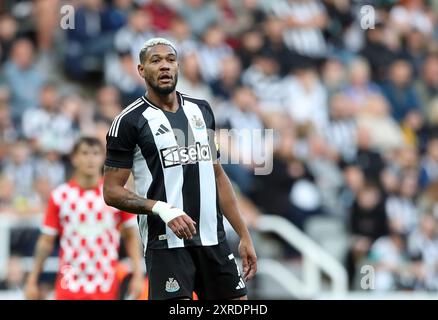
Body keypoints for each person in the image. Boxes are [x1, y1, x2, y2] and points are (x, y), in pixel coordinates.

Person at [103, 38, 257, 300]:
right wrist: (163, 209)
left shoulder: (202, 110)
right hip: (166, 244)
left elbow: (217, 175)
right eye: (156, 60)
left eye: (170, 60)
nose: (165, 66)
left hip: (213, 240)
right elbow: (111, 192)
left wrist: (244, 234)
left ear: (178, 66)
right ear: (141, 70)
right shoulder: (129, 122)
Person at [24, 137, 144, 300]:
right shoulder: (61, 196)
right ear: (74, 158)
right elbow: (46, 241)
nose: (90, 159)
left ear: (103, 158)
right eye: (85, 153)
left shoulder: (116, 195)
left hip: (105, 283)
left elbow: (131, 236)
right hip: (69, 283)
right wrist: (32, 280)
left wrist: (138, 275)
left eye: (95, 153)